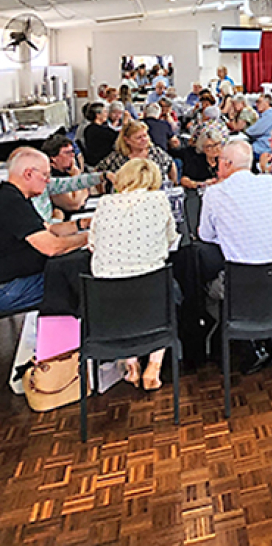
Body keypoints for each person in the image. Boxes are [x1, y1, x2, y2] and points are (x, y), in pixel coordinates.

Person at [198, 141, 272, 373]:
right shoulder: (269, 183)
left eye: (219, 160)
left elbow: (205, 235)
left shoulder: (214, 192)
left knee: (207, 291)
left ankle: (248, 341)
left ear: (227, 164)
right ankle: (270, 341)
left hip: (241, 283)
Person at [89, 159, 178, 390]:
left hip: (106, 294)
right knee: (168, 293)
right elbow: (171, 239)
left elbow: (92, 243)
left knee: (124, 294)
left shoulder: (105, 203)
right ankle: (155, 366)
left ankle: (131, 362)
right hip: (151, 290)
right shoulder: (159, 200)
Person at [0, 148, 89, 313]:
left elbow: (51, 229)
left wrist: (83, 223)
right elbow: (52, 247)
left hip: (17, 280)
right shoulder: (11, 202)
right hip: (9, 288)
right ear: (28, 174)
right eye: (46, 176)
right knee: (78, 277)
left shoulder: (13, 195)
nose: (48, 181)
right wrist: (90, 237)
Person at [40, 134, 105, 218]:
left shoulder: (69, 170)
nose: (72, 155)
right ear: (54, 158)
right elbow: (74, 204)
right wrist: (76, 176)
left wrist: (81, 194)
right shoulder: (51, 176)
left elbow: (86, 192)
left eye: (72, 151)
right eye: (67, 153)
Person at [97, 119, 178, 185]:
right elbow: (98, 173)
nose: (144, 140)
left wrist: (173, 184)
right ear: (127, 140)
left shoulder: (156, 152)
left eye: (145, 135)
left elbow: (171, 164)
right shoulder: (117, 157)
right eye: (139, 137)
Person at [246, 94, 272, 158]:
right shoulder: (268, 115)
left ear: (267, 103)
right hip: (263, 146)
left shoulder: (270, 116)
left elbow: (251, 132)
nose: (256, 104)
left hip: (263, 149)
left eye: (259, 102)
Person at [83, 102, 119, 167]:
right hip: (101, 162)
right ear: (98, 115)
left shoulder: (88, 129)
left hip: (94, 160)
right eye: (105, 112)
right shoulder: (99, 131)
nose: (107, 114)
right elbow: (117, 137)